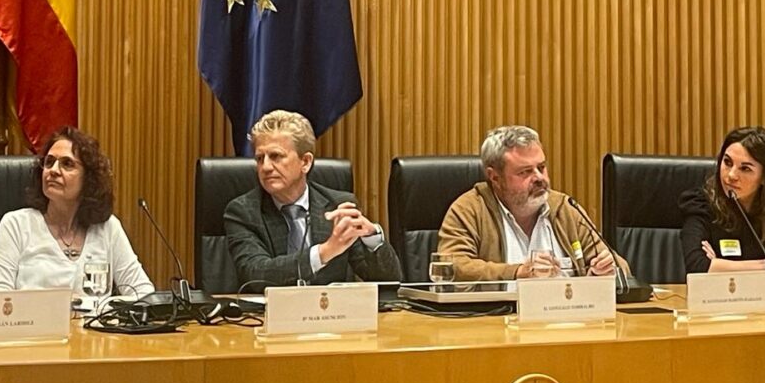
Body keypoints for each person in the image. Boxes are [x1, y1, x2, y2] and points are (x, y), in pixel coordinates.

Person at [223, 109, 402, 287]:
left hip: (331, 306)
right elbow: (255, 274)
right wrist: (324, 252)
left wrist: (372, 237)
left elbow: (389, 281)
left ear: (305, 162)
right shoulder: (243, 212)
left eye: (276, 156)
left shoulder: (337, 206)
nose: (266, 167)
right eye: (260, 158)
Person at [437, 124, 629, 281]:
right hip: (499, 315)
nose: (539, 178)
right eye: (525, 172)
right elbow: (451, 266)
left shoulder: (565, 209)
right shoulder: (469, 210)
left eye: (541, 167)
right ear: (495, 177)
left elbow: (621, 268)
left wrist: (607, 270)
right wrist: (517, 272)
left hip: (566, 315)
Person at [0, 127, 154, 297]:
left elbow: (144, 293)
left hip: (94, 316)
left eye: (67, 164)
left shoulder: (107, 228)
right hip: (34, 316)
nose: (53, 170)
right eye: (49, 162)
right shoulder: (17, 225)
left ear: (88, 178)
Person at [679, 126, 765, 275]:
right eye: (727, 162)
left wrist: (720, 267)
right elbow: (697, 266)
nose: (731, 175)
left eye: (745, 169)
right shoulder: (702, 203)